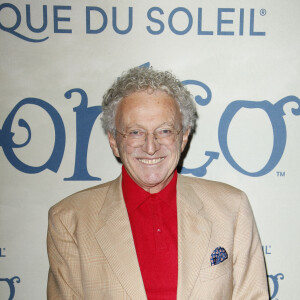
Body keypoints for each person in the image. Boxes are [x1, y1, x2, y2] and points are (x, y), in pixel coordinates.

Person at [47, 67, 269, 299]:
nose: (150, 147)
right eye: (135, 132)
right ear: (113, 141)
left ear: (183, 137)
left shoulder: (231, 208)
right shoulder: (69, 220)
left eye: (164, 130)